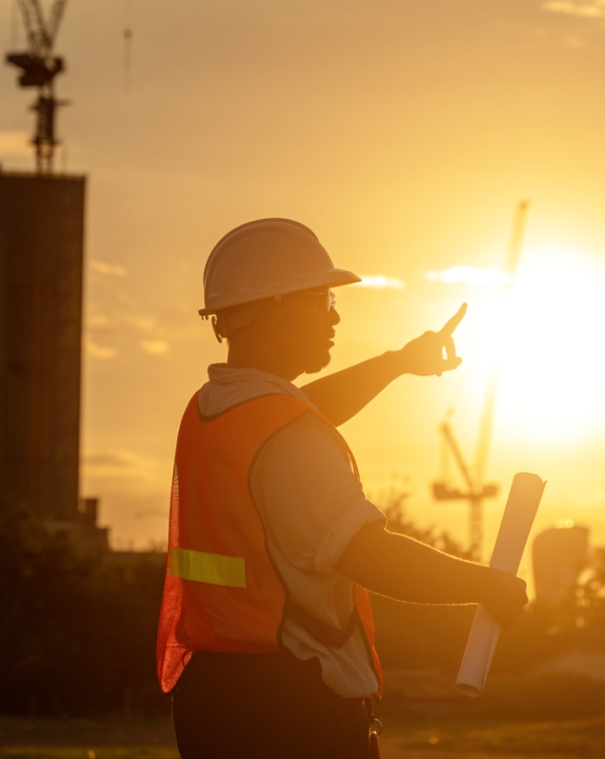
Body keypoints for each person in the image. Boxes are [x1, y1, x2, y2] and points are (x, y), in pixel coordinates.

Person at [157, 218, 529, 758]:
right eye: (321, 299)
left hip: (215, 701)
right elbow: (369, 555)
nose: (334, 316)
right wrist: (485, 584)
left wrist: (398, 363)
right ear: (273, 308)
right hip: (291, 713)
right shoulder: (290, 440)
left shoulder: (213, 410)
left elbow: (303, 412)